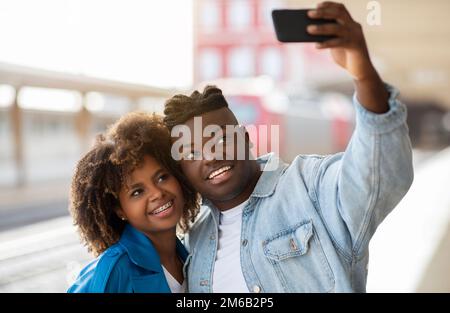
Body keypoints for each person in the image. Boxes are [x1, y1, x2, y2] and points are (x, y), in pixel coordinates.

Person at [163, 2, 414, 292]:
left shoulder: (311, 189)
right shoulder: (193, 240)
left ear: (245, 139)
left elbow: (380, 173)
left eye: (220, 138)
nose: (211, 156)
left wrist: (363, 72)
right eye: (192, 152)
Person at [67, 112, 199, 293]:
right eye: (137, 192)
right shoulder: (114, 269)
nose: (157, 193)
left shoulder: (186, 254)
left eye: (162, 177)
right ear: (120, 210)